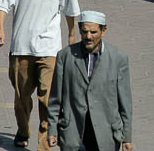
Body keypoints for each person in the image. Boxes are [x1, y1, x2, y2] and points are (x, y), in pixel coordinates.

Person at [0, 0, 81, 150]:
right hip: (21, 47)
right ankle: (23, 130)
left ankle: (44, 143)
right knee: (22, 97)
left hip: (50, 49)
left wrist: (71, 34)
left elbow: (70, 7)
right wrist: (1, 30)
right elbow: (3, 2)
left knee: (47, 98)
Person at [47, 10, 133, 151]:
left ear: (103, 31)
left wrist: (127, 137)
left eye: (93, 32)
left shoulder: (118, 59)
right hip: (73, 133)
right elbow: (55, 98)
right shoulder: (65, 56)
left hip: (105, 135)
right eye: (84, 31)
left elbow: (125, 103)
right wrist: (52, 130)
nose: (88, 37)